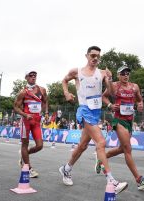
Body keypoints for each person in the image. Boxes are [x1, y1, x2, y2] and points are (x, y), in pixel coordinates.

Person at [58, 46, 128, 194]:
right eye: (93, 55)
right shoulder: (76, 72)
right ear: (87, 56)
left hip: (96, 112)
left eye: (98, 56)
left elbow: (111, 92)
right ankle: (111, 181)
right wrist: (66, 93)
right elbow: (64, 81)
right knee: (101, 143)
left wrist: (108, 80)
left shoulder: (102, 73)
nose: (95, 58)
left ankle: (66, 169)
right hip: (84, 111)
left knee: (82, 146)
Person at [96, 66, 144, 190]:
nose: (125, 75)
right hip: (119, 120)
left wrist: (140, 105)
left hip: (129, 120)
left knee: (122, 148)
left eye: (127, 73)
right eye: (122, 73)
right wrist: (110, 105)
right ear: (118, 75)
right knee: (128, 149)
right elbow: (103, 96)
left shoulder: (135, 87)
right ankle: (139, 180)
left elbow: (139, 99)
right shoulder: (115, 86)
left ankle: (101, 158)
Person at [13, 70, 48, 178]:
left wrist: (45, 112)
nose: (33, 77)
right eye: (31, 76)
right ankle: (28, 168)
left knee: (40, 146)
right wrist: (24, 114)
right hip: (26, 121)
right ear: (26, 78)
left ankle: (25, 154)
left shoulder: (42, 90)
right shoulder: (23, 92)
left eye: (35, 75)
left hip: (36, 121)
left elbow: (45, 101)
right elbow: (15, 107)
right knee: (25, 144)